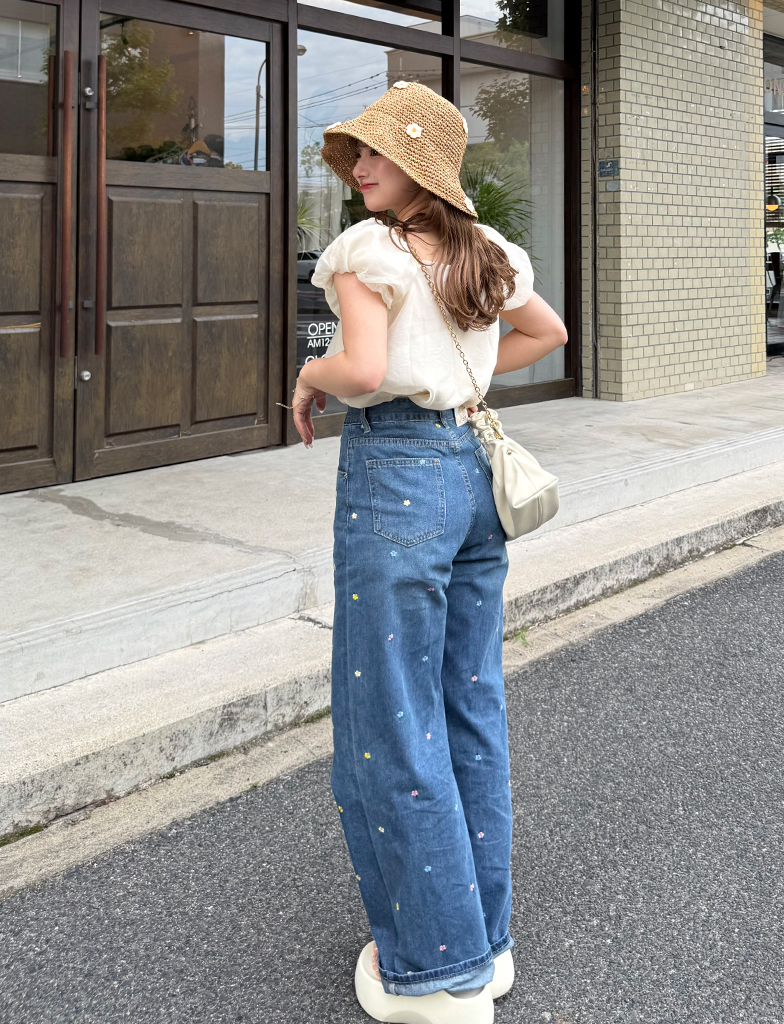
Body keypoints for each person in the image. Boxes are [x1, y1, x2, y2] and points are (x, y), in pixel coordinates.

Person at [284, 82, 567, 1024]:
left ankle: (437, 977)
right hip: (474, 475)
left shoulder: (366, 250)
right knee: (468, 707)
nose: (360, 167)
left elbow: (363, 370)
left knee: (392, 720)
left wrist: (308, 373)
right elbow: (548, 334)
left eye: (379, 152)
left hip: (398, 474)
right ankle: (486, 946)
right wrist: (467, 377)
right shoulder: (489, 252)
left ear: (422, 167)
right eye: (358, 152)